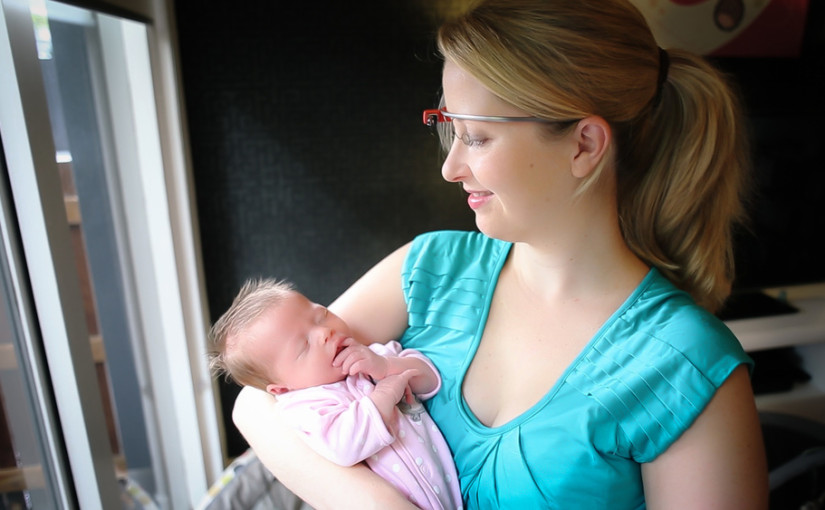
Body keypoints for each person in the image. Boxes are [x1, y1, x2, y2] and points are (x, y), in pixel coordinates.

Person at [232, 0, 769, 508]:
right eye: (451, 132)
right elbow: (257, 399)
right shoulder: (429, 269)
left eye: (479, 138)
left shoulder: (685, 365)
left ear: (583, 145)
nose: (451, 167)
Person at [209, 278, 463, 510]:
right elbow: (345, 445)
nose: (324, 332)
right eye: (304, 346)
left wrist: (386, 366)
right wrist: (383, 394)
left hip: (452, 487)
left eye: (322, 316)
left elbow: (431, 380)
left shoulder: (372, 355)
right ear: (282, 388)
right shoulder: (306, 408)